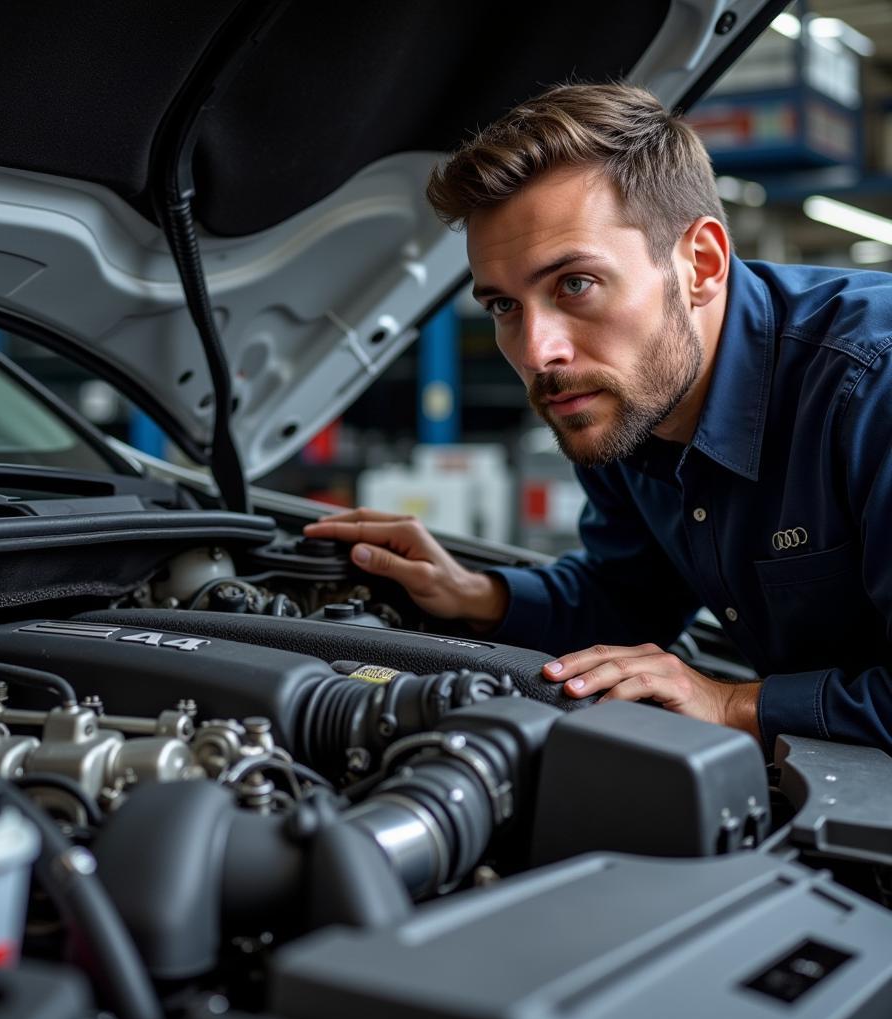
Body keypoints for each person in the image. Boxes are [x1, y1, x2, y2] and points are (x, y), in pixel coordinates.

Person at [304, 83, 892, 757]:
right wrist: (475, 594)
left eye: (574, 285)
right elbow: (628, 596)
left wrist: (732, 704)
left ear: (700, 263)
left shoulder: (871, 383)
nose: (536, 353)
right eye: (502, 306)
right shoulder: (629, 406)